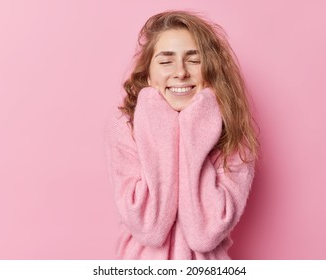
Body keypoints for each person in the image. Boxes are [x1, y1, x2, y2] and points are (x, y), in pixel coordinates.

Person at [106, 10, 259, 260]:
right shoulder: (125, 127)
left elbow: (204, 234)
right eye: (166, 61)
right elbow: (150, 228)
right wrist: (160, 120)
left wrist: (196, 127)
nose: (180, 72)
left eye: (194, 60)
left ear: (211, 69)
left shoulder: (235, 135)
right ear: (148, 74)